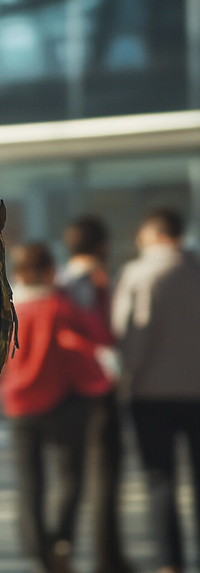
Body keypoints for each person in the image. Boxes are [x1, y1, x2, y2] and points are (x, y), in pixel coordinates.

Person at [0, 242, 113, 573]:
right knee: (70, 476)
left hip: (19, 405)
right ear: (52, 270)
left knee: (30, 482)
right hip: (62, 403)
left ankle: (40, 550)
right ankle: (61, 541)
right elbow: (99, 337)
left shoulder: (9, 308)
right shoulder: (60, 305)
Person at [111, 208, 200, 573]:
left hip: (151, 394)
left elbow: (132, 335)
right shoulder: (196, 270)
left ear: (157, 234)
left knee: (160, 479)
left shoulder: (141, 274)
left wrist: (125, 379)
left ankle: (170, 563)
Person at [58, 215, 130, 573]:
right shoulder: (94, 283)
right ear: (102, 245)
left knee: (74, 476)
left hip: (69, 394)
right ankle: (107, 557)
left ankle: (64, 550)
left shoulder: (61, 282)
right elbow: (106, 336)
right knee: (104, 476)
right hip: (98, 389)